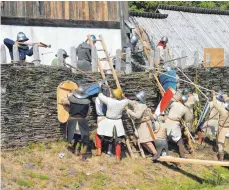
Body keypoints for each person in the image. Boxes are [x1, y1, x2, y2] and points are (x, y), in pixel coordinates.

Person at [94, 87, 130, 161]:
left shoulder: (109, 101)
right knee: (118, 141)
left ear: (113, 95)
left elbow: (100, 96)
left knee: (98, 134)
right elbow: (126, 99)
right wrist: (121, 95)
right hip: (118, 122)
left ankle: (99, 151)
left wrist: (100, 87)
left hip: (108, 122)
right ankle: (117, 158)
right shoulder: (124, 102)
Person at [61, 86, 92, 161]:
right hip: (82, 121)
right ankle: (81, 154)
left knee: (77, 136)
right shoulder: (86, 102)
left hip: (72, 121)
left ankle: (76, 150)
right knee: (84, 138)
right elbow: (89, 112)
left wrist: (69, 95)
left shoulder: (71, 100)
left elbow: (63, 101)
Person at [126, 91, 157, 157]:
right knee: (143, 141)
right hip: (140, 125)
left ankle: (155, 154)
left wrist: (129, 111)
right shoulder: (137, 104)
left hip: (144, 124)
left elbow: (137, 116)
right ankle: (151, 153)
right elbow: (131, 102)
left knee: (147, 141)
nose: (135, 99)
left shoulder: (142, 106)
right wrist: (122, 98)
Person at [163, 91, 189, 158]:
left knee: (164, 137)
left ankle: (163, 152)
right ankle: (182, 156)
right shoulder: (185, 109)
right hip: (175, 123)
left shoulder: (174, 103)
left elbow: (167, 107)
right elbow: (185, 118)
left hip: (168, 121)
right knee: (179, 141)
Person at [211, 90, 229, 161]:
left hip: (222, 128)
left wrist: (214, 95)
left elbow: (215, 104)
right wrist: (226, 97)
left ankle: (221, 158)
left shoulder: (223, 111)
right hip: (227, 128)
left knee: (220, 144)